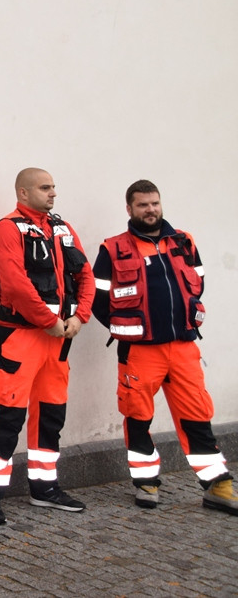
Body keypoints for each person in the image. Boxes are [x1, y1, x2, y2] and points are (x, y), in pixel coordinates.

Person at [92, 179, 237, 514]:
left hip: (184, 347)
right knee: (138, 415)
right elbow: (97, 298)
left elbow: (196, 285)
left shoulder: (184, 242)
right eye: (142, 205)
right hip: (140, 351)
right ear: (129, 209)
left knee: (197, 416)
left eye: (154, 203)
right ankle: (146, 482)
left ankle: (218, 486)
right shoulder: (112, 249)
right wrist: (125, 330)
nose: (150, 210)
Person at [0, 167, 95, 525]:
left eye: (54, 187)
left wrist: (80, 318)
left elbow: (86, 275)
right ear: (24, 193)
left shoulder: (62, 228)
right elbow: (14, 284)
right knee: (8, 418)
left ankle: (45, 489)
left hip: (58, 340)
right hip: (20, 338)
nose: (53, 193)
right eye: (45, 188)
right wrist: (51, 322)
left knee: (50, 417)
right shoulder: (6, 229)